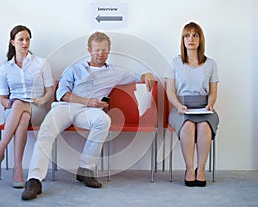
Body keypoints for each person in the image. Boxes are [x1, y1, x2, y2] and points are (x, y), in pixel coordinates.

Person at [21, 31, 156, 200]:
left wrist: (147, 74)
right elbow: (62, 94)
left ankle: (85, 170)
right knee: (47, 131)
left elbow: (138, 76)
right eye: (97, 50)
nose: (100, 53)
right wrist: (88, 101)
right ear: (89, 50)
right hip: (66, 107)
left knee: (103, 120)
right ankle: (34, 180)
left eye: (104, 50)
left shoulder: (115, 72)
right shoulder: (74, 69)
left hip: (87, 112)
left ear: (109, 50)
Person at [0, 25, 54, 188]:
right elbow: (2, 98)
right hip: (14, 111)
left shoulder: (42, 63)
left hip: (37, 108)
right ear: (12, 42)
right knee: (21, 114)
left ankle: (0, 151)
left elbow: (50, 91)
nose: (25, 42)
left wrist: (42, 100)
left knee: (21, 107)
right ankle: (18, 171)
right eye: (21, 39)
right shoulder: (5, 68)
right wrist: (6, 103)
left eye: (27, 39)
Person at [165, 22, 219, 187]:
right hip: (181, 108)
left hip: (204, 107)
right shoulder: (175, 63)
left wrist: (210, 104)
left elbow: (213, 92)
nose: (191, 39)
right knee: (188, 126)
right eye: (187, 35)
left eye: (195, 35)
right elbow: (170, 92)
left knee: (204, 126)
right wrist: (179, 106)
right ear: (182, 39)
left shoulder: (211, 63)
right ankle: (189, 170)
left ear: (200, 39)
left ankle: (200, 170)